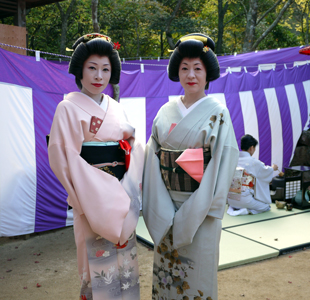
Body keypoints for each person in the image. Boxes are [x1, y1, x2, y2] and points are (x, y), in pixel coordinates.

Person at [142, 33, 239, 299]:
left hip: (202, 207)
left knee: (198, 275)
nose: (191, 75)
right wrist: (161, 207)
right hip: (167, 203)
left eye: (198, 68)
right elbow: (153, 158)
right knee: (167, 275)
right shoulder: (165, 112)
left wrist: (198, 207)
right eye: (184, 68)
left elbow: (223, 160)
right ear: (177, 73)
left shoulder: (218, 113)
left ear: (208, 73)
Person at [48, 33, 143, 300]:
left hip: (120, 195)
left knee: (124, 266)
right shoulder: (67, 108)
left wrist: (127, 180)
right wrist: (83, 200)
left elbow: (132, 145)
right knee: (97, 270)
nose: (98, 76)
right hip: (89, 201)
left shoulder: (115, 107)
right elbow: (61, 156)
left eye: (105, 69)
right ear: (80, 70)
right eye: (92, 68)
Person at [227, 134, 278, 216]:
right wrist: (273, 168)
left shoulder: (234, 159)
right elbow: (265, 171)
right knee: (266, 207)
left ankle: (234, 208)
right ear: (251, 148)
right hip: (243, 199)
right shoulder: (253, 162)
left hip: (230, 199)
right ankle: (246, 211)